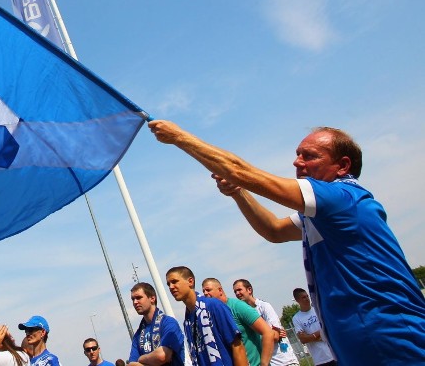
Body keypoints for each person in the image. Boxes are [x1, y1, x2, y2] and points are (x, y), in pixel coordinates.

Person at [149, 121, 425, 364]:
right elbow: (274, 230)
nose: (297, 162)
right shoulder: (321, 216)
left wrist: (179, 138)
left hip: (393, 339)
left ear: (342, 166)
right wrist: (239, 194)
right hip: (364, 343)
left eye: (309, 156)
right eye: (297, 155)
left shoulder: (342, 196)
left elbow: (237, 169)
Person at [165, 266, 247, 366]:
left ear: (190, 281)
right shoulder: (187, 322)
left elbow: (238, 346)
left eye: (174, 281)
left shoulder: (213, 306)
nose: (171, 287)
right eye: (168, 284)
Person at [201, 278, 273, 366]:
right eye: (203, 291)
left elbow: (268, 332)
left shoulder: (238, 306)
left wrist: (264, 364)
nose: (205, 293)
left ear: (220, 290)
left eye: (208, 290)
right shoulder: (212, 315)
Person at [232, 279, 298, 366]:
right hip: (269, 362)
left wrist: (269, 334)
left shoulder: (264, 307)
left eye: (239, 290)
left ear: (249, 290)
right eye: (235, 291)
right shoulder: (243, 314)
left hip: (283, 361)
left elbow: (275, 335)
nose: (237, 293)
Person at [127, 282, 184, 365]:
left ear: (152, 298)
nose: (135, 302)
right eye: (133, 299)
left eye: (139, 298)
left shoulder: (168, 323)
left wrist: (141, 358)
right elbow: (132, 364)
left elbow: (162, 356)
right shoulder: (138, 334)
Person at [291, 288, 335, 366]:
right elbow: (303, 339)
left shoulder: (318, 309)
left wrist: (311, 336)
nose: (307, 299)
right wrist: (321, 333)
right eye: (303, 297)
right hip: (320, 360)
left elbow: (330, 328)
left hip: (333, 354)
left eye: (307, 296)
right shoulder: (297, 318)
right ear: (297, 300)